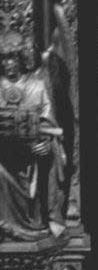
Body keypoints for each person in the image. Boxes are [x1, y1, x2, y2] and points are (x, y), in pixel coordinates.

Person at [0, 29, 67, 240]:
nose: (8, 64)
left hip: (31, 160)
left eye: (13, 58)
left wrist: (47, 143)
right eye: (4, 59)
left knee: (40, 166)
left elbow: (50, 124)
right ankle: (5, 225)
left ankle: (32, 223)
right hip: (3, 156)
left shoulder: (37, 86)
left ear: (22, 59)